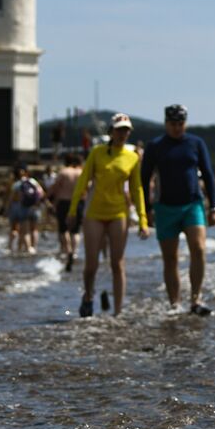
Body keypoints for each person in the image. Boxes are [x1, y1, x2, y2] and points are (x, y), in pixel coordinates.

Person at [141, 104, 215, 316]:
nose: (177, 128)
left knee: (199, 249)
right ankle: (175, 303)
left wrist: (213, 206)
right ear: (166, 123)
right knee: (171, 257)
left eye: (180, 124)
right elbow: (144, 178)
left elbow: (209, 174)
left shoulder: (196, 143)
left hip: (192, 204)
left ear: (186, 123)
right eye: (173, 124)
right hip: (165, 207)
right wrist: (146, 210)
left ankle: (196, 299)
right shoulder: (155, 146)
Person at [68, 114, 149, 317]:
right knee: (91, 264)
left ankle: (118, 312)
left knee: (117, 263)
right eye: (119, 129)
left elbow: (137, 189)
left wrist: (143, 220)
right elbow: (83, 181)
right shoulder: (97, 152)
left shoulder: (132, 157)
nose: (123, 133)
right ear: (111, 131)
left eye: (126, 130)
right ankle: (88, 296)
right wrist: (72, 209)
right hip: (94, 213)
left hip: (119, 213)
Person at [47, 154, 84, 271]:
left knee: (63, 228)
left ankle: (67, 250)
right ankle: (74, 252)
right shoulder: (81, 173)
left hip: (64, 202)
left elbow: (55, 187)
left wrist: (47, 197)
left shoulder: (64, 172)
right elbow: (87, 188)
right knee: (76, 230)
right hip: (78, 202)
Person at [6, 165, 43, 255]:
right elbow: (41, 193)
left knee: (21, 230)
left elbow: (11, 198)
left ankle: (24, 248)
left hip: (21, 208)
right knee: (34, 229)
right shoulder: (33, 181)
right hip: (34, 208)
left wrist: (7, 208)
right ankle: (33, 247)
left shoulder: (17, 184)